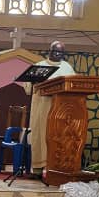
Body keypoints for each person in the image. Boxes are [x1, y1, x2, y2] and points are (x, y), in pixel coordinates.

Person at [25, 42, 76, 177]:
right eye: (55, 51)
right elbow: (28, 88)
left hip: (60, 109)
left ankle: (55, 169)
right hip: (41, 108)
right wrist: (33, 82)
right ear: (50, 51)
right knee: (40, 136)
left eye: (60, 52)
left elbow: (73, 85)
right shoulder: (40, 66)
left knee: (56, 137)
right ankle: (37, 170)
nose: (57, 54)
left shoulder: (67, 68)